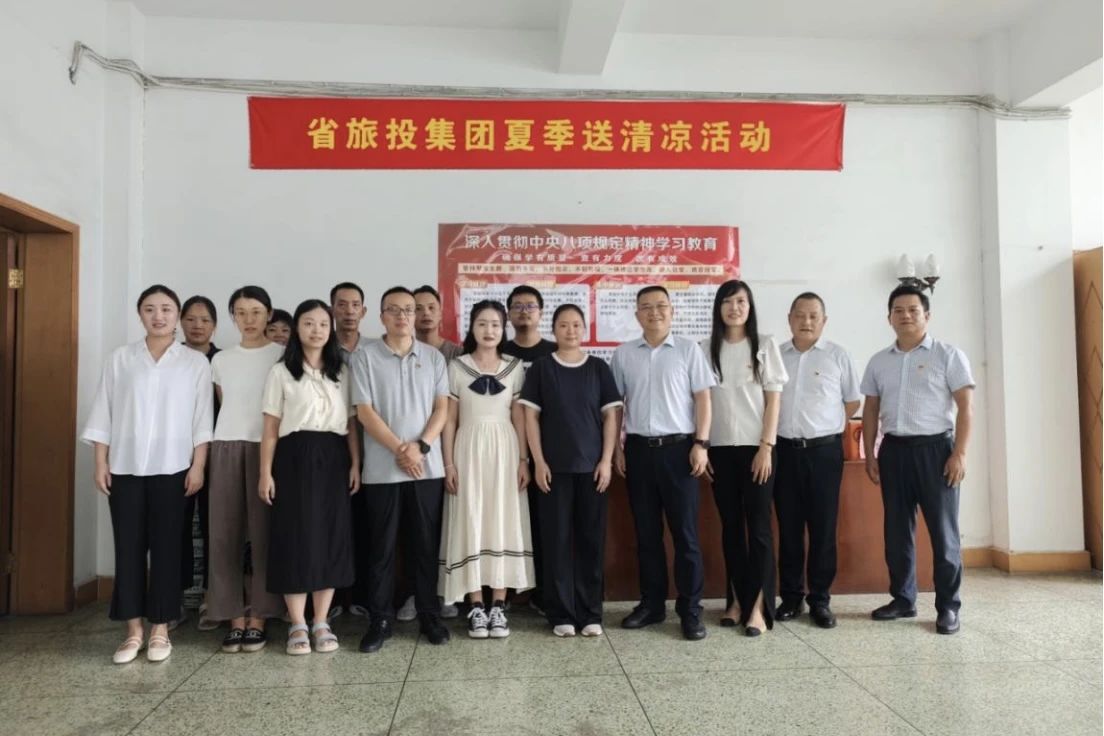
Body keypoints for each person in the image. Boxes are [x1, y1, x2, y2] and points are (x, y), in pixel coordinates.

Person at [82, 284, 214, 664]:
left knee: (168, 549)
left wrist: (198, 466)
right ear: (140, 314)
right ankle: (132, 631)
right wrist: (100, 462)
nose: (159, 316)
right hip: (125, 467)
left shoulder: (194, 363)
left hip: (174, 468)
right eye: (150, 309)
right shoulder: (120, 359)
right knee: (128, 547)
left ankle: (160, 629)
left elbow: (202, 419)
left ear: (177, 317)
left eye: (166, 309)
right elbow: (104, 412)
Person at [861, 284, 974, 635]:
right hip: (894, 451)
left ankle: (948, 607)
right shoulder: (879, 361)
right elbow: (870, 409)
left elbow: (966, 408)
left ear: (927, 315)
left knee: (944, 533)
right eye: (898, 310)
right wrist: (870, 453)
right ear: (889, 318)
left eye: (913, 310)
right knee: (897, 532)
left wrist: (960, 453)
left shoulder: (948, 355)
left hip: (936, 452)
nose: (905, 315)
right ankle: (903, 599)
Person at [611, 285, 714, 641]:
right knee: (647, 534)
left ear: (672, 311)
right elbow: (616, 406)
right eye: (646, 307)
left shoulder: (688, 350)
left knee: (686, 535)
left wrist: (701, 443)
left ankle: (691, 609)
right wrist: (617, 448)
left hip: (680, 451)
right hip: (639, 451)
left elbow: (703, 399)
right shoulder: (624, 354)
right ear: (637, 314)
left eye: (661, 306)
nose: (654, 312)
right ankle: (652, 604)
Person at [351, 287, 451, 653]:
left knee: (425, 545)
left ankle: (429, 614)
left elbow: (442, 408)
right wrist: (399, 449)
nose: (403, 316)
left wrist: (420, 447)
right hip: (382, 470)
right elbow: (364, 412)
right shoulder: (364, 357)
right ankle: (380, 619)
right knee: (381, 548)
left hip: (427, 468)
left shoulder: (433, 357)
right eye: (394, 310)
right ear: (382, 317)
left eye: (408, 309)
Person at [259, 299, 360, 654]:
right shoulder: (281, 372)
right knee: (295, 537)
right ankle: (297, 624)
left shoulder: (341, 371)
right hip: (293, 458)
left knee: (330, 536)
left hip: (333, 457)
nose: (316, 330)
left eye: (322, 324)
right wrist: (265, 472)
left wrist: (355, 464)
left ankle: (321, 621)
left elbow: (351, 424)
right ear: (296, 329)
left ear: (330, 329)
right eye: (308, 323)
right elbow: (270, 427)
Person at [520, 304, 622, 637]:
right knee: (556, 542)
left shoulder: (598, 368)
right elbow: (530, 417)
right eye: (563, 325)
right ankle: (560, 613)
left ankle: (591, 613)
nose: (570, 330)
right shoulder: (542, 368)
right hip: (553, 471)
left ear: (584, 329)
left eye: (576, 325)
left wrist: (606, 460)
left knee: (591, 542)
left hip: (592, 471)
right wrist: (538, 461)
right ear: (554, 329)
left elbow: (610, 417)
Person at [439, 300, 534, 639]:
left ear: (503, 329)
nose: (489, 330)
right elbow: (449, 419)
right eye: (482, 323)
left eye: (495, 324)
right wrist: (448, 462)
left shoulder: (515, 367)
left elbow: (519, 417)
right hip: (467, 450)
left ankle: (499, 605)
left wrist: (523, 459)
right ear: (472, 327)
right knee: (471, 519)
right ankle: (475, 605)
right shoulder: (457, 366)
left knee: (501, 520)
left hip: (505, 450)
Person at [701, 280, 788, 637]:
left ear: (749, 307)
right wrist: (703, 445)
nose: (734, 308)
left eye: (741, 301)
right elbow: (701, 402)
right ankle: (736, 600)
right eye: (727, 301)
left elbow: (774, 399)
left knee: (760, 529)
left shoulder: (764, 344)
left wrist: (766, 447)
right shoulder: (705, 348)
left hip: (757, 450)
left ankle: (760, 608)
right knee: (731, 529)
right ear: (718, 308)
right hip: (720, 450)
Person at [774, 292, 861, 629]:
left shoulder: (838, 356)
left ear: (824, 321)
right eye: (799, 315)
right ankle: (791, 597)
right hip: (784, 451)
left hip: (824, 452)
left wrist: (827, 424)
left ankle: (820, 600)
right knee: (789, 527)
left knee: (823, 528)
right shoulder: (776, 356)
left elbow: (851, 402)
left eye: (813, 316)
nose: (806, 322)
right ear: (789, 318)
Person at [206, 286, 286, 654]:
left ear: (269, 314)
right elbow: (225, 403)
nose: (249, 319)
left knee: (265, 534)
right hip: (225, 446)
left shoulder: (282, 356)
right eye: (240, 312)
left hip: (266, 447)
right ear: (232, 317)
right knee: (225, 535)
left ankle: (261, 616)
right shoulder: (221, 360)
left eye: (256, 311)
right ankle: (233, 616)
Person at [503, 284, 557, 614]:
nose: (524, 311)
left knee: (544, 522)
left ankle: (544, 592)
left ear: (541, 312)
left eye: (531, 306)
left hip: (547, 451)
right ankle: (505, 591)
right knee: (507, 520)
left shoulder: (553, 352)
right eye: (518, 306)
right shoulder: (498, 350)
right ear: (508, 314)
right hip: (503, 449)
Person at [330, 281, 375, 621]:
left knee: (365, 525)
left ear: (364, 311)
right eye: (342, 304)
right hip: (331, 448)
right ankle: (331, 597)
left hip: (372, 447)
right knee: (331, 525)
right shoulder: (320, 346)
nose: (348, 311)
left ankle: (361, 595)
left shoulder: (375, 350)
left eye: (354, 305)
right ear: (332, 309)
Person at [179, 295, 221, 632]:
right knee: (176, 529)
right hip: (175, 457)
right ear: (181, 322)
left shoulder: (222, 361)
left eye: (205, 320)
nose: (197, 325)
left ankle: (211, 597)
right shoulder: (172, 359)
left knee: (214, 528)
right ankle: (175, 598)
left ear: (215, 326)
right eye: (191, 319)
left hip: (217, 457)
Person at [413, 284, 462, 362]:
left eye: (431, 307)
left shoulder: (458, 354)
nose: (426, 313)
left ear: (440, 314)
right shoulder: (404, 352)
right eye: (418, 308)